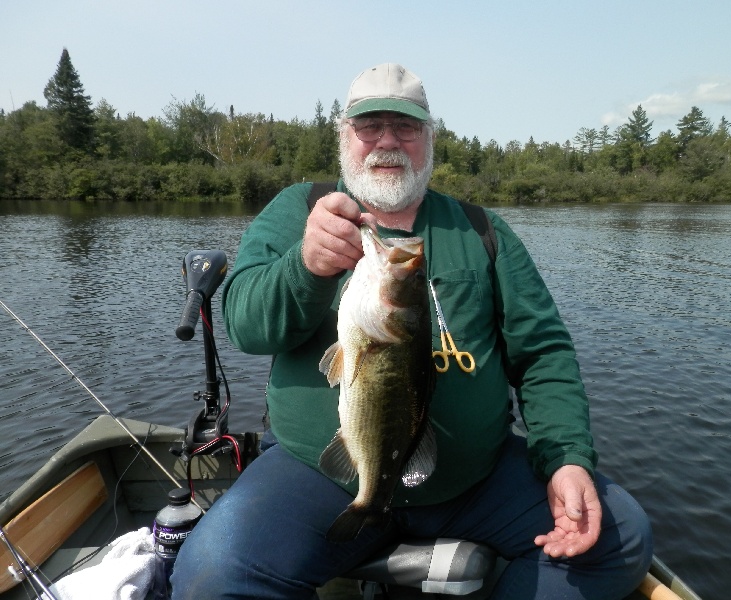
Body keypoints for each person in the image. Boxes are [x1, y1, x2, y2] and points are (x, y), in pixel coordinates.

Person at [171, 63, 653, 599]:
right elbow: (245, 326)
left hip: (474, 481)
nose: (386, 142)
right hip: (319, 476)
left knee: (618, 537)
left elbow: (543, 354)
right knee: (211, 576)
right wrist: (304, 265)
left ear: (429, 139)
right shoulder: (299, 210)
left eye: (405, 128)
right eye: (369, 127)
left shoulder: (480, 230)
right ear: (344, 137)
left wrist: (565, 458)